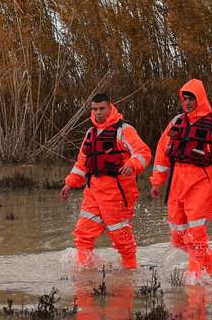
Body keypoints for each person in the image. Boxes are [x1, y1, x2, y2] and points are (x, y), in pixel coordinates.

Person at [149, 79, 212, 277]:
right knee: (178, 238)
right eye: (185, 98)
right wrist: (157, 181)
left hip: (202, 182)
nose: (188, 102)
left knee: (196, 235)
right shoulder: (176, 122)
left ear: (200, 98)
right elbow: (162, 152)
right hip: (177, 183)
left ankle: (195, 281)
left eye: (191, 98)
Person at [60, 93, 151, 269]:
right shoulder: (91, 133)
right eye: (95, 109)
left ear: (110, 107)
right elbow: (82, 163)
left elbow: (143, 152)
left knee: (122, 241)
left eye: (102, 108)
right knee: (83, 235)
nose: (98, 112)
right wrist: (70, 183)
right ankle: (82, 276)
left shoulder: (124, 130)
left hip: (117, 193)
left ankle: (129, 275)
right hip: (93, 192)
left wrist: (132, 165)